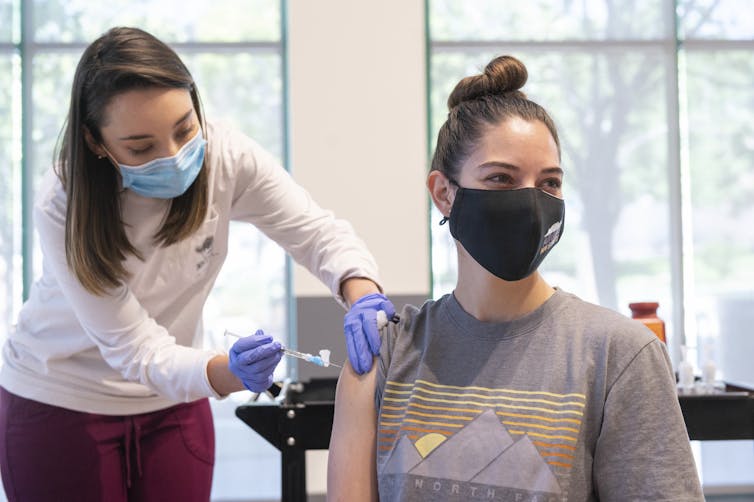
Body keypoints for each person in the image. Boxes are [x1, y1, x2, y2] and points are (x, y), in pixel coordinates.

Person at [0, 26, 394, 502]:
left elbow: (316, 232)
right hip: (60, 401)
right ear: (95, 142)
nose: (174, 156)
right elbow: (135, 351)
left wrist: (362, 290)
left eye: (185, 128)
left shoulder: (226, 157)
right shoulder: (63, 203)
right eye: (141, 148)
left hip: (175, 402)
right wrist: (230, 372)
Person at [327, 55, 704, 501]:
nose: (530, 203)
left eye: (549, 184)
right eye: (501, 179)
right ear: (444, 194)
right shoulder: (385, 354)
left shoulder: (618, 355)